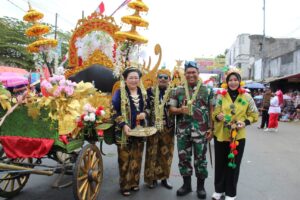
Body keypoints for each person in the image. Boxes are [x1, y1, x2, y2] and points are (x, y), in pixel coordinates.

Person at [212, 68, 259, 200]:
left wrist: (245, 122)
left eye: (235, 80)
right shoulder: (221, 95)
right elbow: (214, 113)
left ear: (239, 81)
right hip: (221, 135)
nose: (233, 82)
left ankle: (231, 193)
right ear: (227, 82)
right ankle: (219, 190)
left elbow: (255, 114)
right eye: (230, 80)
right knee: (220, 164)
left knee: (233, 165)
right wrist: (218, 116)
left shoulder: (247, 97)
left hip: (238, 136)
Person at [169, 61, 213, 199]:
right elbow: (171, 110)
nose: (191, 75)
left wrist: (212, 128)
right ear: (184, 74)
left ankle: (201, 187)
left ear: (198, 73)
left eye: (193, 72)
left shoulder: (208, 90)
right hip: (183, 132)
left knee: (201, 160)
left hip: (201, 132)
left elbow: (212, 111)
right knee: (184, 159)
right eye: (188, 72)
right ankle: (186, 186)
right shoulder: (177, 90)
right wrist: (180, 110)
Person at [111, 67, 147, 196]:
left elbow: (148, 109)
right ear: (125, 80)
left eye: (136, 78)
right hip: (124, 132)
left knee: (137, 158)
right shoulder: (119, 93)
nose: (133, 80)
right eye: (130, 78)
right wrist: (123, 125)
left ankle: (134, 183)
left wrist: (144, 113)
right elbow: (114, 111)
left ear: (139, 79)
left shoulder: (143, 93)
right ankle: (125, 186)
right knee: (124, 160)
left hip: (139, 131)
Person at [144, 67, 174, 189]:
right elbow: (146, 107)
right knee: (152, 153)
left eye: (165, 77)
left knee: (166, 154)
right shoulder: (150, 91)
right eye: (160, 77)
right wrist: (145, 114)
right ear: (157, 79)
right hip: (153, 127)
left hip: (168, 128)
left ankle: (164, 178)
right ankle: (152, 178)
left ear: (169, 79)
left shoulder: (173, 92)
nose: (162, 79)